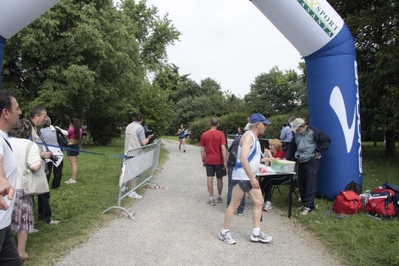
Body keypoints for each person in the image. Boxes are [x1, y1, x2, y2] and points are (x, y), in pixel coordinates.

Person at [219, 113, 272, 245]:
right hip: (244, 176)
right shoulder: (248, 137)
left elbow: (251, 157)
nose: (265, 127)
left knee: (259, 202)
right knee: (235, 204)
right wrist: (251, 177)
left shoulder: (254, 138)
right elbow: (243, 158)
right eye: (264, 124)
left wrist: (263, 160)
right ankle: (224, 232)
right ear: (258, 124)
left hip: (247, 176)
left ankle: (256, 232)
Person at [9, 119, 42, 261]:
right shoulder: (30, 145)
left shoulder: (5, 142)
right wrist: (40, 160)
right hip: (21, 187)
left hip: (5, 187)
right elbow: (34, 166)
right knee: (22, 220)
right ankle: (20, 252)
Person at [283, 118, 331, 215]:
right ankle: (304, 203)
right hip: (300, 159)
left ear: (303, 126)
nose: (296, 130)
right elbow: (292, 147)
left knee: (310, 183)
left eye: (297, 128)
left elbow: (327, 140)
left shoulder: (314, 132)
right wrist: (286, 157)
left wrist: (318, 149)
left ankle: (309, 206)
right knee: (301, 182)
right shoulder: (297, 134)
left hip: (311, 160)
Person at [0, 90, 23, 265]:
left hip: (4, 223)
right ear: (5, 113)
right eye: (17, 108)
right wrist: (1, 180)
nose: (20, 112)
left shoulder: (3, 138)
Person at [29, 106, 59, 224]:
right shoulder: (28, 128)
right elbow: (27, 147)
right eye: (44, 116)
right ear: (36, 115)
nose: (46, 119)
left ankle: (44, 217)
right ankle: (32, 221)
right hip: (32, 166)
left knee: (43, 192)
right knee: (33, 194)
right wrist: (41, 154)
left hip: (40, 164)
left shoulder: (36, 128)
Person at [124, 112, 154, 199]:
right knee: (134, 172)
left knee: (127, 170)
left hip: (127, 151)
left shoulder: (128, 126)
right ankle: (132, 192)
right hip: (135, 152)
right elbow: (143, 142)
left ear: (133, 118)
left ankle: (125, 187)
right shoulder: (140, 128)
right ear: (142, 119)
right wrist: (148, 138)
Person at [200, 118, 227, 206]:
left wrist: (203, 159)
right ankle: (219, 196)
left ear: (209, 123)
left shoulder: (204, 134)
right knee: (219, 178)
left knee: (209, 178)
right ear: (218, 124)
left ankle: (211, 198)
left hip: (209, 160)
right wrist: (225, 161)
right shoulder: (221, 134)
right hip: (219, 160)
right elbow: (223, 148)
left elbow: (202, 149)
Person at [259, 138, 289, 211]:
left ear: (276, 146)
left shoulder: (280, 153)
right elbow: (267, 164)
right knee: (268, 180)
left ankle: (259, 194)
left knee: (268, 180)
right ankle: (268, 202)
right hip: (275, 174)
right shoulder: (272, 153)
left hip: (284, 175)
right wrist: (267, 156)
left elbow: (276, 163)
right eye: (270, 145)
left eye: (272, 145)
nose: (270, 147)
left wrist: (269, 156)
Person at [40, 117, 67, 189]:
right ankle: (56, 185)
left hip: (47, 151)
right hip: (57, 151)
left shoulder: (40, 131)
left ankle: (45, 185)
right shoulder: (55, 129)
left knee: (47, 170)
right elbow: (66, 133)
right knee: (58, 170)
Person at [226, 136, 245, 215]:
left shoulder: (238, 139)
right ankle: (240, 209)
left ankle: (229, 207)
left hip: (232, 164)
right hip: (242, 165)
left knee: (231, 186)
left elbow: (230, 150)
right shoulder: (253, 140)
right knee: (243, 186)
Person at [65, 118, 82, 184]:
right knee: (75, 163)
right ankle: (73, 178)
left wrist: (69, 127)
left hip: (70, 146)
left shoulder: (70, 130)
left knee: (73, 164)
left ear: (72, 123)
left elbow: (66, 136)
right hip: (76, 146)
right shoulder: (80, 130)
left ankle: (73, 179)